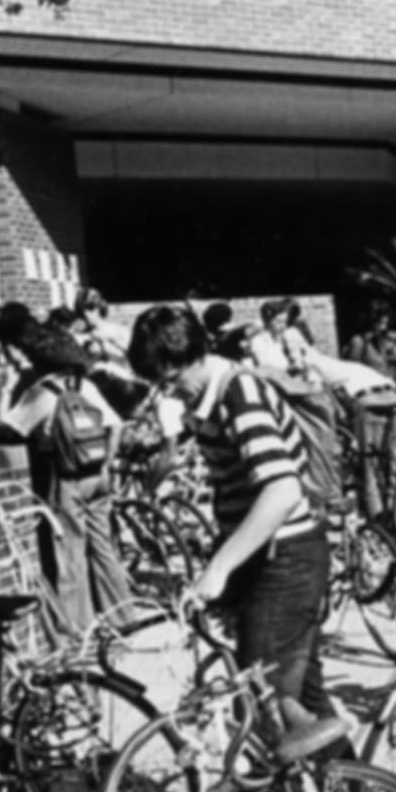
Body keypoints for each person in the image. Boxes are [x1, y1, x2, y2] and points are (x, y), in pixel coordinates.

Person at [127, 306, 336, 735]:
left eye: (171, 380)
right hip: (277, 557)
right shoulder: (211, 397)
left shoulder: (237, 394)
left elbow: (281, 489)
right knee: (303, 698)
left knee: (264, 702)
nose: (170, 393)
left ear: (194, 356)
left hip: (288, 560)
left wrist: (220, 568)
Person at [0, 321, 132, 637]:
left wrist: (4, 390)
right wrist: (106, 463)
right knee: (102, 545)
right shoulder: (83, 385)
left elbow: (5, 431)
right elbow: (116, 425)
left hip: (66, 477)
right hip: (98, 475)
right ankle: (123, 614)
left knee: (70, 552)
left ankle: (77, 626)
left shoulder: (42, 391)